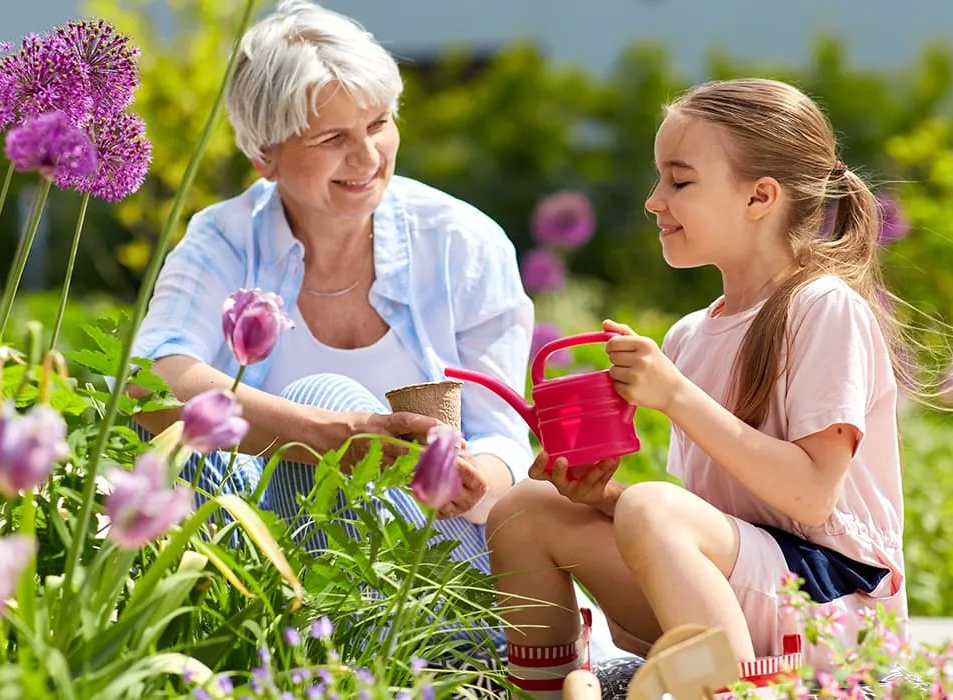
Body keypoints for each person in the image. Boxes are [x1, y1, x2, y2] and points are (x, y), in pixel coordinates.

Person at [128, 0, 619, 664]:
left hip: (436, 560)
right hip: (275, 566)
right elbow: (149, 382)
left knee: (331, 408)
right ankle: (409, 664)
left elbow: (502, 428)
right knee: (263, 416)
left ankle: (425, 659)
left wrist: (475, 476)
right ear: (264, 155)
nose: (367, 156)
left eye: (379, 124)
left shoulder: (461, 242)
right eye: (332, 138)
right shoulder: (224, 237)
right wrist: (339, 437)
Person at [487, 77, 910, 697]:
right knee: (524, 509)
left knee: (652, 506)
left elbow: (811, 497)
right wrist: (600, 495)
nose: (655, 201)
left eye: (679, 181)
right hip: (744, 595)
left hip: (830, 606)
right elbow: (715, 523)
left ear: (759, 196)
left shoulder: (824, 307)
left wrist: (676, 396)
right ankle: (549, 690)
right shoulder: (691, 333)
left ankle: (729, 693)